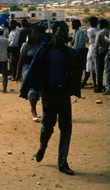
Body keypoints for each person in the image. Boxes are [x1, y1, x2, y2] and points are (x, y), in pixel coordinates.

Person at [20, 21, 83, 176]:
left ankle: (63, 162)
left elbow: (76, 71)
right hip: (49, 93)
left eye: (63, 33)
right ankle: (42, 147)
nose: (60, 35)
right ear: (53, 34)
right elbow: (33, 70)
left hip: (63, 94)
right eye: (58, 32)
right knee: (48, 126)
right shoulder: (45, 51)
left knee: (66, 128)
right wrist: (25, 89)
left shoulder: (70, 53)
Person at [15, 26, 44, 121]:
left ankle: (45, 112)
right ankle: (33, 111)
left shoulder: (43, 45)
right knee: (31, 90)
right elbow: (21, 60)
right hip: (28, 69)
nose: (35, 35)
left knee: (41, 90)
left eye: (37, 33)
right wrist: (18, 74)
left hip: (39, 69)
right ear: (30, 35)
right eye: (33, 33)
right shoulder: (26, 45)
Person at [81, 17, 100, 89]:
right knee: (95, 67)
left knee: (89, 67)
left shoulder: (89, 30)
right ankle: (95, 83)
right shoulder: (99, 30)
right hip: (97, 48)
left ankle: (84, 83)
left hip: (92, 48)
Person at [94, 19, 110, 93]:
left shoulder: (100, 33)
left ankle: (99, 86)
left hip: (102, 53)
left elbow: (96, 45)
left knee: (100, 71)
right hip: (108, 52)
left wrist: (96, 53)